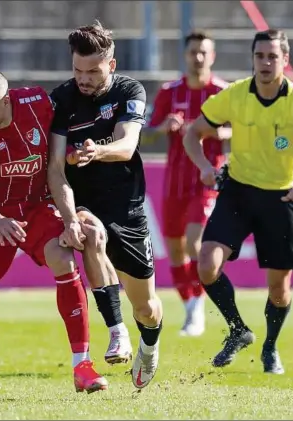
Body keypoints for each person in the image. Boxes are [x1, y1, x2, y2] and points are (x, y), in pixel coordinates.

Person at [0, 68, 109, 399]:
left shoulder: (38, 104)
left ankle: (82, 365)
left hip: (34, 208)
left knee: (62, 257)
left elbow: (73, 107)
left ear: (5, 100)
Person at [48, 21, 164, 389]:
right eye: (77, 70)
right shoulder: (63, 99)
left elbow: (128, 145)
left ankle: (148, 344)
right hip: (85, 202)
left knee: (145, 307)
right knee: (90, 233)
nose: (83, 78)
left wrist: (98, 151)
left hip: (126, 207)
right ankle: (117, 333)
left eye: (92, 71)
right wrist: (68, 214)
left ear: (110, 66)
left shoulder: (130, 90)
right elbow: (54, 166)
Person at [183, 29, 293, 374]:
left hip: (281, 198)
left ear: (284, 61)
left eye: (272, 56)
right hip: (238, 192)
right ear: (252, 59)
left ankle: (270, 347)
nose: (265, 62)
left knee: (279, 290)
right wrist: (203, 166)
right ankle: (238, 330)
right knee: (206, 265)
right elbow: (192, 132)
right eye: (259, 56)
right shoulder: (235, 95)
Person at [143, 31, 231, 336]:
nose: (198, 58)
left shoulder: (223, 92)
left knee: (196, 243)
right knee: (176, 251)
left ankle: (197, 312)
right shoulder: (170, 92)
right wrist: (162, 127)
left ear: (213, 56)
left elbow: (242, 129)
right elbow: (145, 133)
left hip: (206, 179)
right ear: (185, 55)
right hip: (173, 183)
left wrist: (222, 134)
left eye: (204, 52)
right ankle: (191, 307)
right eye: (193, 52)